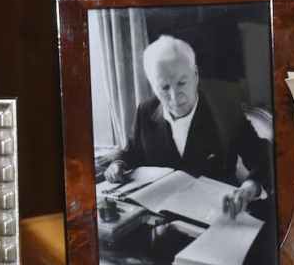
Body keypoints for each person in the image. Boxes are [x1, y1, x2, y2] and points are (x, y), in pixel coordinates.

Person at [104, 34, 270, 218]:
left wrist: (249, 188)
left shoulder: (224, 109)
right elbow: (131, 151)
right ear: (153, 86)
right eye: (164, 88)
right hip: (160, 217)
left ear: (195, 76)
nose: (175, 97)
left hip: (216, 214)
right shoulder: (146, 111)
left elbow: (264, 159)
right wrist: (118, 164)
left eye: (181, 83)